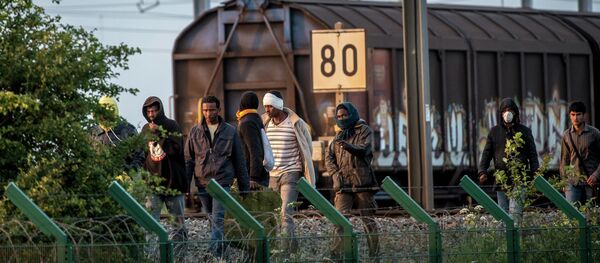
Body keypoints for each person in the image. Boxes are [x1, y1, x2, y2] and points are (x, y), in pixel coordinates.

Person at [185, 95, 250, 258]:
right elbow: (188, 160)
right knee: (212, 220)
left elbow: (239, 160)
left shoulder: (230, 130)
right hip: (202, 182)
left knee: (217, 219)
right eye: (205, 110)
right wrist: (186, 187)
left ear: (219, 110)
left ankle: (213, 254)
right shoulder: (195, 131)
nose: (208, 113)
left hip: (222, 182)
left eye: (211, 109)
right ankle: (223, 254)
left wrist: (244, 187)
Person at [262, 90, 316, 251]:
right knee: (271, 214)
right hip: (271, 174)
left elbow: (307, 147)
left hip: (291, 172)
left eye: (270, 106)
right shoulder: (264, 123)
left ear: (278, 105)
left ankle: (287, 253)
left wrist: (303, 169)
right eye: (265, 106)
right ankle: (280, 249)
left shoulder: (295, 123)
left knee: (285, 213)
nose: (267, 110)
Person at [326, 102, 379, 259]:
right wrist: (335, 175)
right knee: (339, 221)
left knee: (368, 222)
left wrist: (349, 146)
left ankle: (374, 256)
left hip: (363, 184)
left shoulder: (365, 130)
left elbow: (365, 149)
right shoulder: (338, 136)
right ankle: (336, 256)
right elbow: (329, 158)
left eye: (344, 115)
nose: (341, 118)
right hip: (344, 184)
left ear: (352, 114)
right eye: (339, 116)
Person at [140, 96, 189, 258]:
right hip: (153, 185)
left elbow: (177, 150)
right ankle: (150, 257)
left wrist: (160, 134)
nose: (151, 114)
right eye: (149, 111)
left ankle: (180, 257)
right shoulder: (146, 129)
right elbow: (143, 153)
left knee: (178, 226)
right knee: (150, 224)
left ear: (160, 110)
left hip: (173, 184)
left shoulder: (171, 125)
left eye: (154, 110)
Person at [479, 98, 539, 220]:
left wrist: (535, 174)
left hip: (519, 180)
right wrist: (482, 171)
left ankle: (515, 237)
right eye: (504, 111)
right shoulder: (494, 132)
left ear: (515, 113)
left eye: (510, 110)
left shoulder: (525, 132)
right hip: (501, 181)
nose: (507, 113)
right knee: (503, 217)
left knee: (515, 216)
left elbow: (532, 155)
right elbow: (487, 154)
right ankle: (507, 239)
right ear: (501, 114)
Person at [560, 101, 600, 205]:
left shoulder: (594, 133)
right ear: (570, 115)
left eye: (578, 114)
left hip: (590, 182)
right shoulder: (566, 135)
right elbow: (564, 160)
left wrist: (596, 175)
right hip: (572, 182)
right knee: (572, 214)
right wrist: (564, 181)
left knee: (591, 216)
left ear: (584, 115)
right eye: (573, 115)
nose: (575, 118)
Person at [90, 96, 143, 169]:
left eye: (106, 114)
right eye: (101, 114)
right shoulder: (92, 133)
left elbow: (139, 156)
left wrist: (129, 172)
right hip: (98, 178)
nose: (103, 117)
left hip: (125, 177)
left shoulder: (127, 129)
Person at [237, 91, 270, 189]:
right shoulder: (255, 118)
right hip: (258, 175)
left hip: (252, 178)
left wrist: (253, 177)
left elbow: (255, 150)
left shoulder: (247, 122)